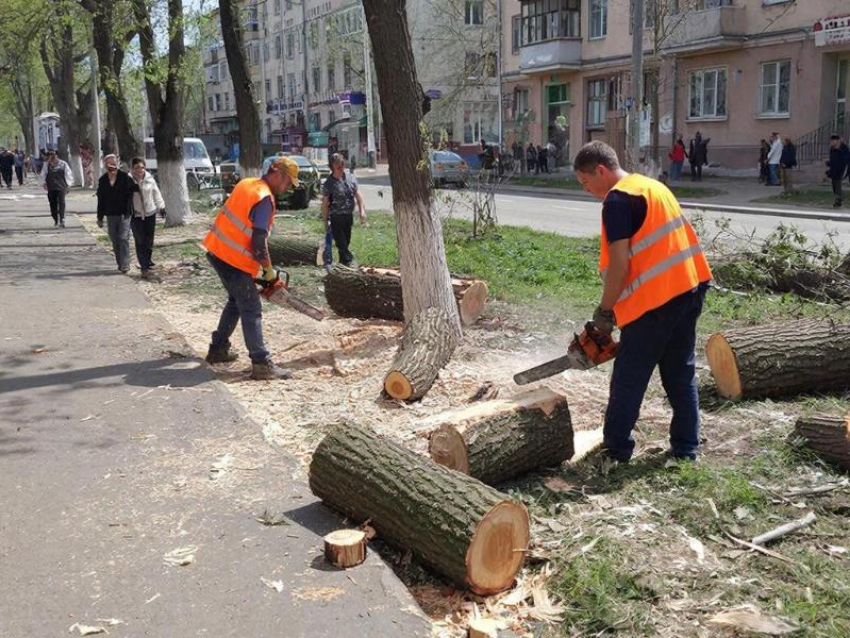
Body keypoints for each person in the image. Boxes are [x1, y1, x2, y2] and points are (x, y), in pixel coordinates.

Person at [572, 141, 712, 466]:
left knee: (629, 378)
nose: (587, 189)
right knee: (680, 371)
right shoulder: (651, 186)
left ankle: (616, 449)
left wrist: (605, 311)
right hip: (690, 288)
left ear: (601, 171)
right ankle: (686, 448)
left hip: (657, 301)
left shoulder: (618, 200)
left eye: (586, 181)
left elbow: (619, 266)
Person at [202, 156, 301, 380]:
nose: (287, 188)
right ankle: (261, 363)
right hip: (232, 259)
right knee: (251, 307)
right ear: (278, 174)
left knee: (236, 302)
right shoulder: (265, 199)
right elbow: (258, 241)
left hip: (217, 250)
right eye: (287, 183)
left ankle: (218, 348)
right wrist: (267, 270)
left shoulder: (246, 184)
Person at [322, 153, 366, 271]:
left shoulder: (350, 178)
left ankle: (343, 266)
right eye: (338, 166)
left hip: (348, 216)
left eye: (342, 164)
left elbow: (358, 195)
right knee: (341, 242)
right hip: (336, 217)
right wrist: (325, 220)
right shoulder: (329, 183)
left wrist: (362, 211)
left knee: (345, 242)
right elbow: (325, 204)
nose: (341, 167)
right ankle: (350, 261)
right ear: (332, 167)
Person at [96, 154, 137, 273]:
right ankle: (120, 262)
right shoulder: (103, 180)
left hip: (125, 213)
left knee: (123, 238)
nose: (112, 167)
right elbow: (101, 200)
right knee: (114, 239)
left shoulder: (125, 178)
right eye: (109, 165)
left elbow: (135, 190)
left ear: (117, 164)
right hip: (110, 214)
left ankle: (125, 264)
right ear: (105, 165)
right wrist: (100, 217)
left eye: (114, 164)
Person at [130, 158, 166, 279]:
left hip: (150, 213)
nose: (139, 170)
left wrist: (161, 206)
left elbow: (156, 193)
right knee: (140, 240)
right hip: (136, 215)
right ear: (133, 169)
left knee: (149, 240)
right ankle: (144, 266)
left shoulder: (149, 179)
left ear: (145, 167)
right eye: (137, 168)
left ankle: (148, 261)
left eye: (141, 167)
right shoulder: (128, 180)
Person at [40, 149, 75, 228]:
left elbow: (68, 174)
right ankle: (55, 219)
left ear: (56, 155)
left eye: (53, 154)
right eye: (49, 155)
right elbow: (43, 174)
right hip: (51, 187)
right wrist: (43, 183)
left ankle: (62, 218)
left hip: (61, 186)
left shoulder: (63, 164)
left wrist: (69, 185)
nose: (52, 156)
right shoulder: (46, 165)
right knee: (53, 203)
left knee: (61, 202)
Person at [827, 134, 850, 208]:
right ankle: (839, 199)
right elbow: (832, 159)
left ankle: (838, 200)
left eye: (833, 141)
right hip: (834, 169)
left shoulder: (844, 148)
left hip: (841, 169)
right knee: (834, 185)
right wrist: (829, 163)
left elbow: (845, 160)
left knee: (837, 185)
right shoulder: (832, 149)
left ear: (837, 141)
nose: (831, 142)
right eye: (831, 141)